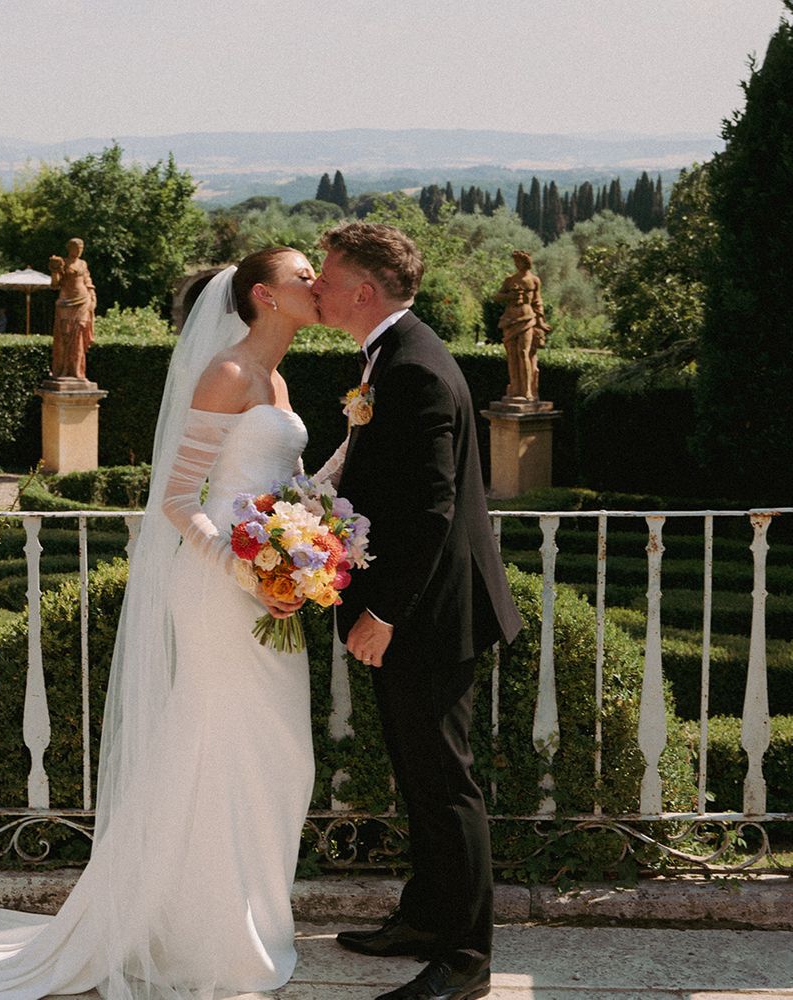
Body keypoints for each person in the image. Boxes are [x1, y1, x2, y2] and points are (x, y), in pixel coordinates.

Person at [0, 247, 321, 1000]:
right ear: (266, 296)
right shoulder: (230, 373)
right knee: (219, 745)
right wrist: (247, 570)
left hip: (266, 589)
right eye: (304, 275)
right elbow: (178, 498)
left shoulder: (276, 378)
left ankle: (237, 922)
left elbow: (277, 490)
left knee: (277, 755)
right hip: (219, 590)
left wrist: (318, 530)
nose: (316, 284)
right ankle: (206, 939)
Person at [311, 222, 522, 1000]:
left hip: (429, 618)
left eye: (328, 279)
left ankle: (466, 961)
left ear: (364, 290)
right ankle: (426, 919)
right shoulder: (392, 359)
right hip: (413, 612)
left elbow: (433, 511)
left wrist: (387, 613)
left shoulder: (416, 371)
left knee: (446, 784)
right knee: (417, 773)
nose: (319, 291)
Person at [494, 250, 550, 402]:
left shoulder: (534, 280)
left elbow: (538, 302)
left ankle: (527, 390)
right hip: (510, 318)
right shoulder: (510, 280)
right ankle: (515, 388)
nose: (516, 264)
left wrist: (541, 321)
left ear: (526, 262)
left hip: (527, 317)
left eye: (519, 261)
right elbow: (497, 296)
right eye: (515, 262)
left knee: (524, 352)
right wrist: (509, 296)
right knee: (511, 354)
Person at [49, 237, 96, 379]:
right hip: (66, 302)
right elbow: (55, 284)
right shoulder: (63, 262)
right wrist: (54, 270)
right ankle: (63, 369)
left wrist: (92, 297)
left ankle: (77, 371)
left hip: (83, 300)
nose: (79, 251)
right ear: (69, 248)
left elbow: (88, 281)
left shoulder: (83, 263)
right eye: (77, 248)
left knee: (79, 336)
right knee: (65, 335)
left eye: (81, 248)